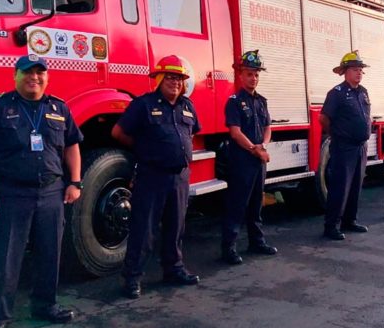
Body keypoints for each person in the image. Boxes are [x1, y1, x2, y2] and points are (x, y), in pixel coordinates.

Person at [0, 54, 83, 328]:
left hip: (52, 192)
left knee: (49, 253)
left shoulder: (59, 108)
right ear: (15, 75)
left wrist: (75, 181)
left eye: (40, 73)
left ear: (47, 76)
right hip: (11, 194)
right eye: (28, 73)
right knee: (5, 259)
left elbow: (72, 145)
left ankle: (46, 306)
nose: (35, 78)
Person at [112, 55, 201, 299]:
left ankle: (174, 269)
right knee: (144, 230)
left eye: (180, 78)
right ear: (159, 79)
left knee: (176, 227)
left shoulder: (187, 106)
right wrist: (144, 149)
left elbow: (191, 134)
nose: (175, 82)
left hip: (180, 177)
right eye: (170, 77)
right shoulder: (143, 104)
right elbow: (118, 132)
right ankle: (132, 278)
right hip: (152, 175)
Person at [221, 50, 277, 264]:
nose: (253, 78)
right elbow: (235, 132)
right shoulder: (234, 101)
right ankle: (229, 248)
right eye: (249, 74)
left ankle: (257, 242)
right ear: (240, 76)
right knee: (237, 204)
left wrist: (262, 145)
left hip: (258, 159)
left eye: (256, 74)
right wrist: (255, 149)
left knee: (256, 203)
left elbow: (268, 127)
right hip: (242, 160)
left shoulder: (261, 101)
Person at [320, 51, 373, 240]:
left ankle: (349, 221)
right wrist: (337, 134)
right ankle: (331, 226)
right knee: (340, 187)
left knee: (356, 185)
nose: (358, 73)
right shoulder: (337, 93)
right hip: (344, 146)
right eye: (354, 70)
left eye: (360, 70)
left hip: (360, 146)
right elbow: (324, 118)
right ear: (345, 72)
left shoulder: (363, 92)